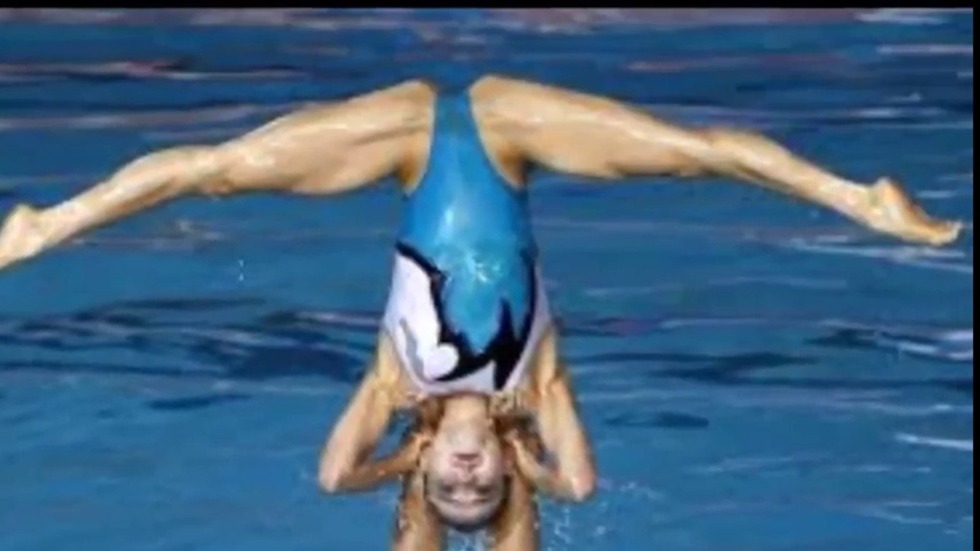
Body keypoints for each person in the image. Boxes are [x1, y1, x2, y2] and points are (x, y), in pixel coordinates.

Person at [0, 75, 962, 549]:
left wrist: (399, 463)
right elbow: (578, 486)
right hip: (511, 133)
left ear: (428, 470)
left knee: (215, 174)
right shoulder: (537, 384)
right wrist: (533, 465)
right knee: (696, 150)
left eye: (448, 488)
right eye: (483, 487)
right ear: (508, 466)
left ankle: (47, 223)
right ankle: (861, 199)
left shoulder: (394, 383)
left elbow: (337, 475)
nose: (465, 476)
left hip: (403, 146)